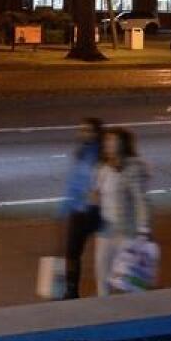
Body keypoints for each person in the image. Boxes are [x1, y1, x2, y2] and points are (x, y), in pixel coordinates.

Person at [93, 127, 152, 296]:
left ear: (123, 145)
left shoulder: (134, 168)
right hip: (106, 227)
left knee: (130, 276)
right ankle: (105, 308)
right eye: (107, 141)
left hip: (127, 228)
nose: (108, 144)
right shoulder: (102, 167)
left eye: (113, 141)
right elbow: (98, 192)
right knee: (102, 271)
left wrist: (143, 229)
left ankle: (134, 311)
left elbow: (141, 200)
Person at [61, 117, 102, 299]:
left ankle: (110, 289)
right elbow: (74, 182)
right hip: (78, 210)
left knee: (105, 255)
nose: (83, 133)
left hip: (96, 211)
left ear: (96, 132)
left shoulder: (102, 154)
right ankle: (71, 291)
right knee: (72, 253)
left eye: (88, 130)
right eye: (81, 129)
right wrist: (65, 207)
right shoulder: (80, 152)